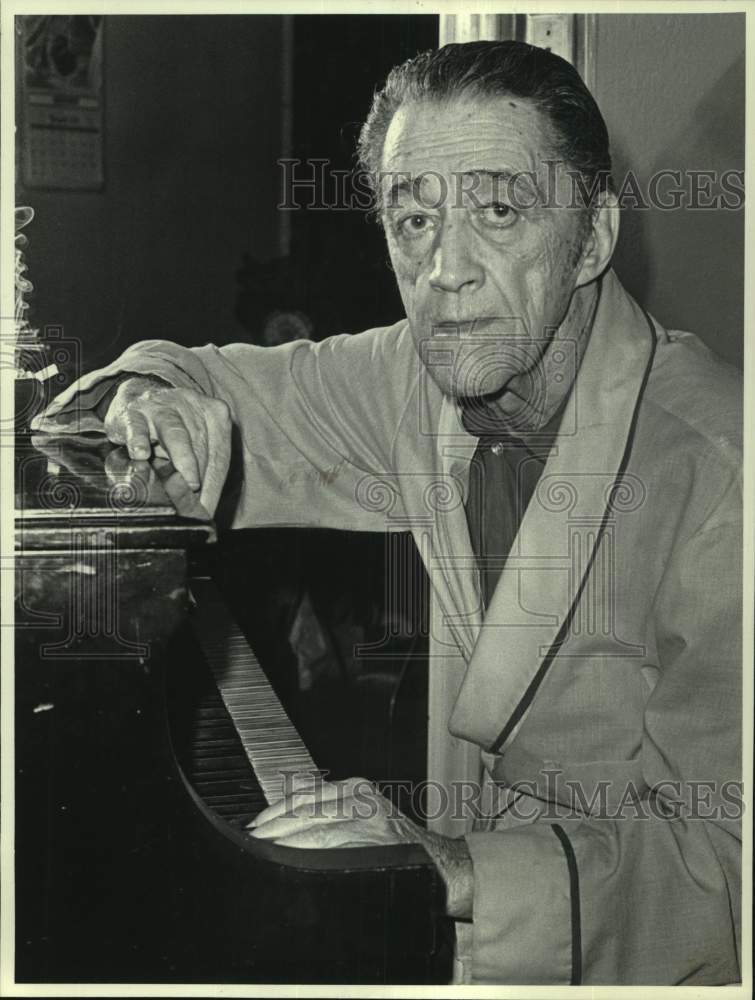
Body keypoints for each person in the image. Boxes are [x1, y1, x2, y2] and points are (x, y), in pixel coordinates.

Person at [32, 40, 742, 986]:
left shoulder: (723, 475)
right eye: (413, 219)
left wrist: (442, 863)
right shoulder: (418, 375)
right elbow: (182, 388)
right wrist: (148, 396)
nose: (445, 268)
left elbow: (726, 867)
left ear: (594, 236)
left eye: (498, 211)